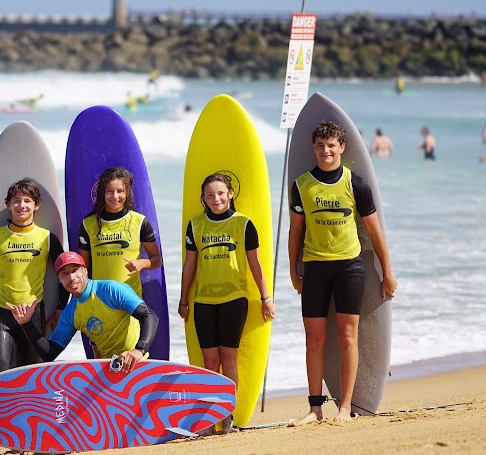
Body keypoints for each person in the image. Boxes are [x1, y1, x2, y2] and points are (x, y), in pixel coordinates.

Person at [288, 120, 397, 425]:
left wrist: (387, 272)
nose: (325, 151)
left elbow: (375, 233)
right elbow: (295, 232)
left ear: (342, 147)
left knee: (348, 336)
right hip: (315, 268)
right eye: (320, 146)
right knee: (314, 340)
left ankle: (345, 407)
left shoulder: (356, 184)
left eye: (331, 146)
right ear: (314, 148)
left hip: (349, 267)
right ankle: (314, 408)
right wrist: (294, 270)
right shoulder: (302, 186)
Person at [0, 179, 68, 455]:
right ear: (8, 205)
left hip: (33, 317)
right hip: (3, 316)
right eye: (17, 200)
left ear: (37, 206)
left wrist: (60, 309)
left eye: (27, 201)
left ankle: (34, 437)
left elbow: (67, 271)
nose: (22, 205)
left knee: (34, 380)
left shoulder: (47, 239)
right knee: (0, 379)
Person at [179, 172, 275, 434]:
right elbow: (190, 265)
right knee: (210, 362)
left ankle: (227, 419)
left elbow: (255, 264)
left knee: (229, 360)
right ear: (203, 199)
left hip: (234, 300)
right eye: (210, 195)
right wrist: (183, 299)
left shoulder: (243, 224)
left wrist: (265, 298)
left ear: (231, 194)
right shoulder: (195, 225)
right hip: (204, 301)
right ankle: (210, 422)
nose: (216, 199)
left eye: (221, 193)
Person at [8, 251, 159, 374]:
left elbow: (149, 316)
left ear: (85, 271)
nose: (71, 277)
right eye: (64, 273)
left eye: (75, 270)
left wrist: (139, 350)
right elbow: (49, 353)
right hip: (109, 369)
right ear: (59, 280)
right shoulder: (70, 313)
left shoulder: (111, 290)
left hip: (137, 364)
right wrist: (26, 324)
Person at [77, 166, 162, 356]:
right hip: (98, 301)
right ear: (102, 193)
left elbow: (156, 259)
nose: (115, 196)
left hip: (128, 302)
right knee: (101, 361)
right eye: (110, 191)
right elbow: (82, 267)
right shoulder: (89, 225)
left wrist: (142, 263)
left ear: (127, 192)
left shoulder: (139, 222)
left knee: (129, 357)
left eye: (120, 191)